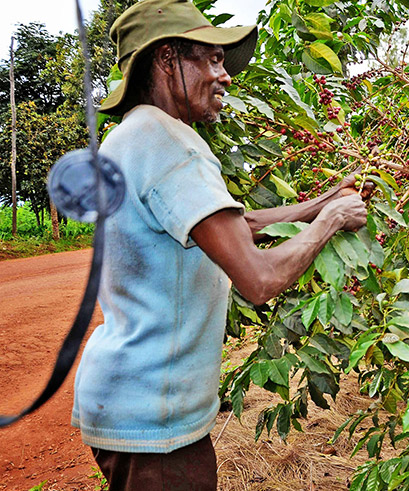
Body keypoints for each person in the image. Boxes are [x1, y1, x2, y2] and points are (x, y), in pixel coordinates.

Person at [70, 1, 368, 489]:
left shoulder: (132, 137)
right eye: (211, 59)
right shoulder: (171, 144)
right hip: (155, 423)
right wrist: (331, 221)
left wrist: (321, 202)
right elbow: (259, 278)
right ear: (167, 60)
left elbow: (231, 224)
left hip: (129, 401)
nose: (225, 75)